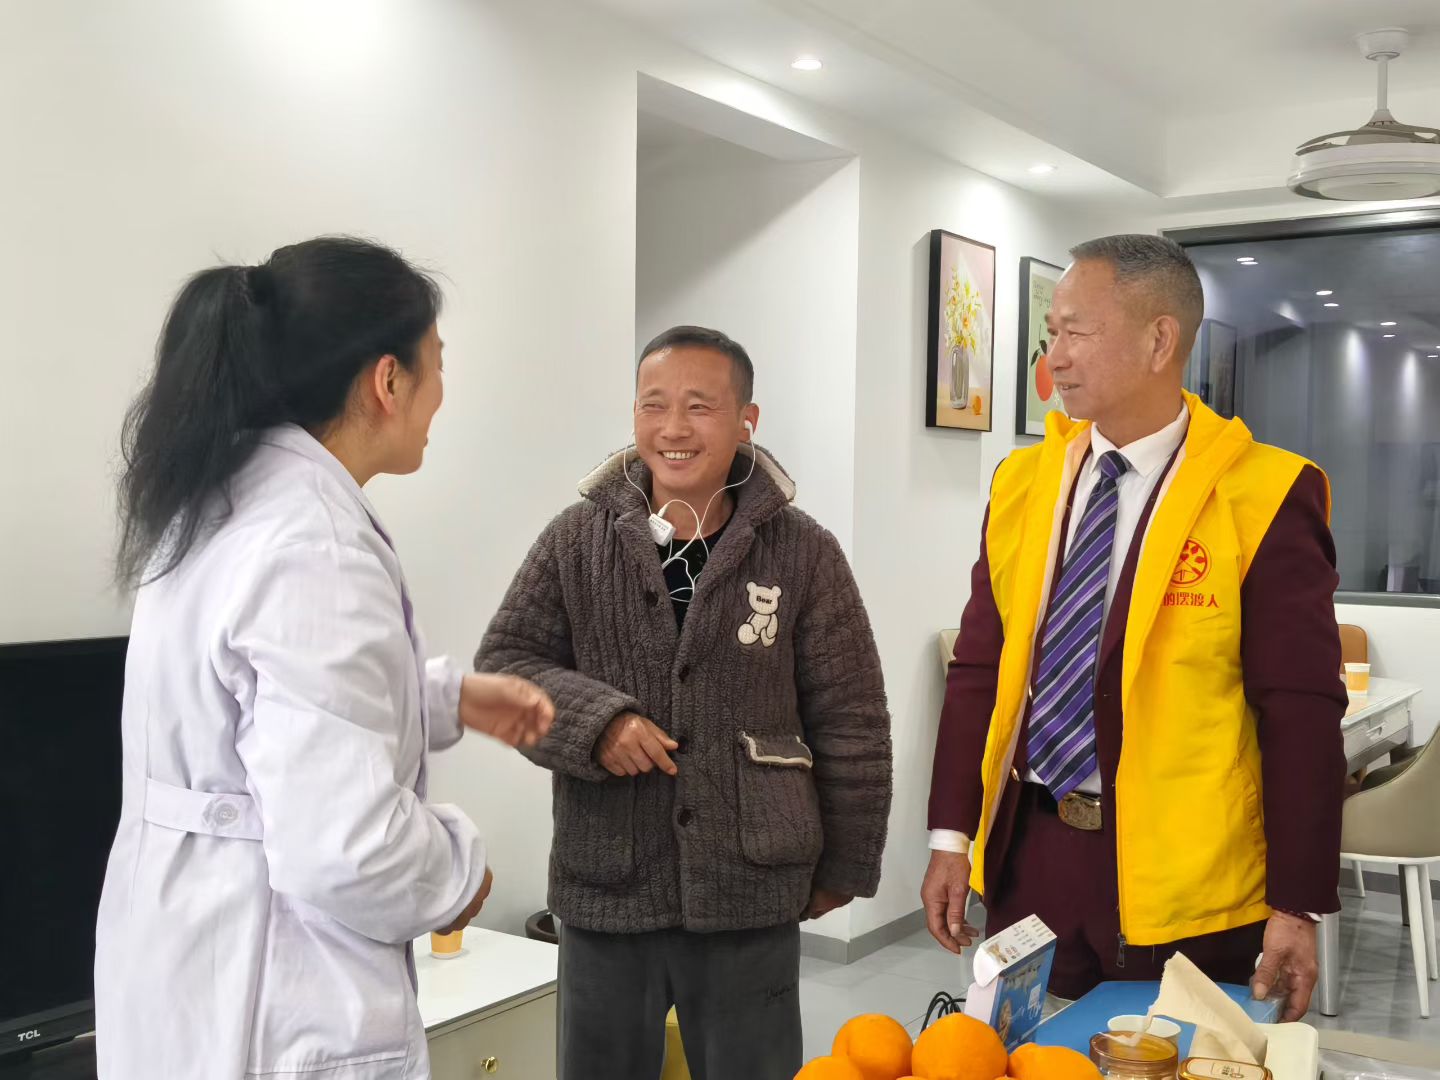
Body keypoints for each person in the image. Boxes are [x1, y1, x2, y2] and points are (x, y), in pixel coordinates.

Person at [96, 236, 554, 1079]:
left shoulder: (218, 500)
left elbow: (255, 709)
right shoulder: (315, 545)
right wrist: (457, 870)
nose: (441, 393)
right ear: (388, 382)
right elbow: (347, 847)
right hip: (270, 999)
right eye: (437, 364)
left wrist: (445, 698)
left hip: (182, 963)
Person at [922, 235, 1347, 1021]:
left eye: (1076, 331)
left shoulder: (1263, 494)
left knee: (1168, 1059)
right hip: (1032, 855)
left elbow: (1300, 711)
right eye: (1052, 332)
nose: (1055, 356)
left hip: (1187, 878)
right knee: (1031, 1063)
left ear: (1159, 341)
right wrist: (951, 838)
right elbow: (981, 668)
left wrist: (1298, 902)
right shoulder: (1024, 483)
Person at [475, 325, 893, 1080]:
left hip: (750, 884)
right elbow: (503, 668)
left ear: (746, 421)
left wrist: (847, 861)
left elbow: (852, 718)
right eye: (653, 405)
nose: (673, 428)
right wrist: (596, 723)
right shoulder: (576, 540)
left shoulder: (803, 552)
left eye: (700, 407)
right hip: (607, 881)